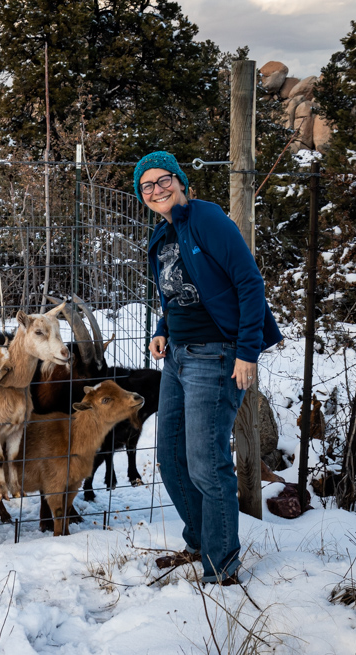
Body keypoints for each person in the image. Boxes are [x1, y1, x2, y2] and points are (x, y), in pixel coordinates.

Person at [134, 151, 282, 585]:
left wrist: (247, 353)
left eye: (164, 181)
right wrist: (162, 328)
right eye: (148, 185)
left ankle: (222, 568)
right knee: (170, 457)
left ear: (180, 182)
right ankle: (199, 542)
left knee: (205, 462)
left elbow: (249, 283)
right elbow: (176, 293)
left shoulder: (207, 219)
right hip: (178, 354)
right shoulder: (163, 233)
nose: (157, 189)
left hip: (217, 355)